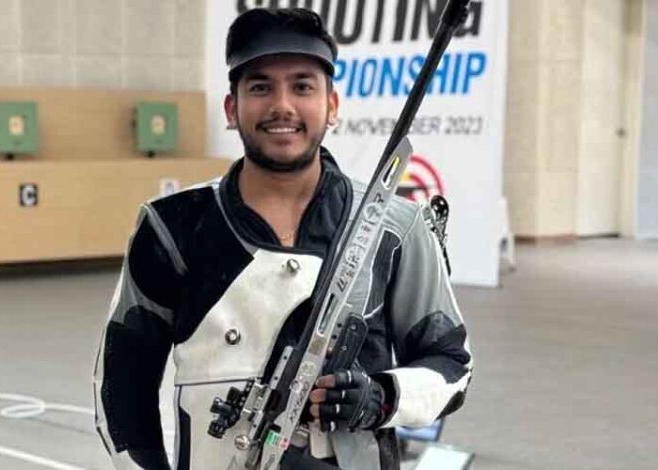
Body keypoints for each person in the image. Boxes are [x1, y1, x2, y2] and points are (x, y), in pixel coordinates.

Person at [94, 8, 472, 470]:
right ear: (231, 108)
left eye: (302, 86)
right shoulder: (171, 227)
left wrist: (382, 396)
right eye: (260, 87)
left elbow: (452, 363)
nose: (282, 106)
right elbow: (123, 382)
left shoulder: (398, 227)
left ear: (332, 105)